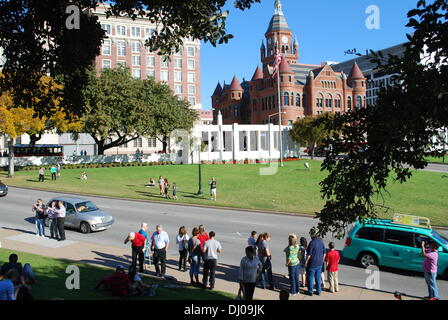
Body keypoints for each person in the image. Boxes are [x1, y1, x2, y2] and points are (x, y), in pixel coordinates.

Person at [305, 228, 326, 296]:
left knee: (311, 277)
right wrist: (322, 260)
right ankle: (318, 291)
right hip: (319, 263)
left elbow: (309, 255)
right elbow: (324, 253)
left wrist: (306, 262)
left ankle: (310, 291)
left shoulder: (312, 243)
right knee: (318, 277)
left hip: (312, 263)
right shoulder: (321, 242)